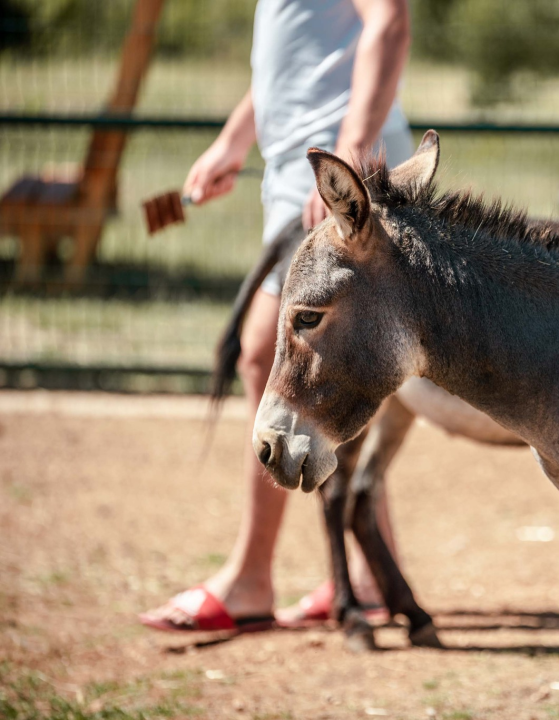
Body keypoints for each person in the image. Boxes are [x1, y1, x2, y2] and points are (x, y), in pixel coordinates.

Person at [139, 0, 413, 633]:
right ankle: (370, 573)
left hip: (334, 168)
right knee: (310, 362)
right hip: (300, 168)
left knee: (269, 356)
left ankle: (251, 577)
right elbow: (290, 60)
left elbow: (390, 22)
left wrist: (349, 155)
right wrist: (234, 142)